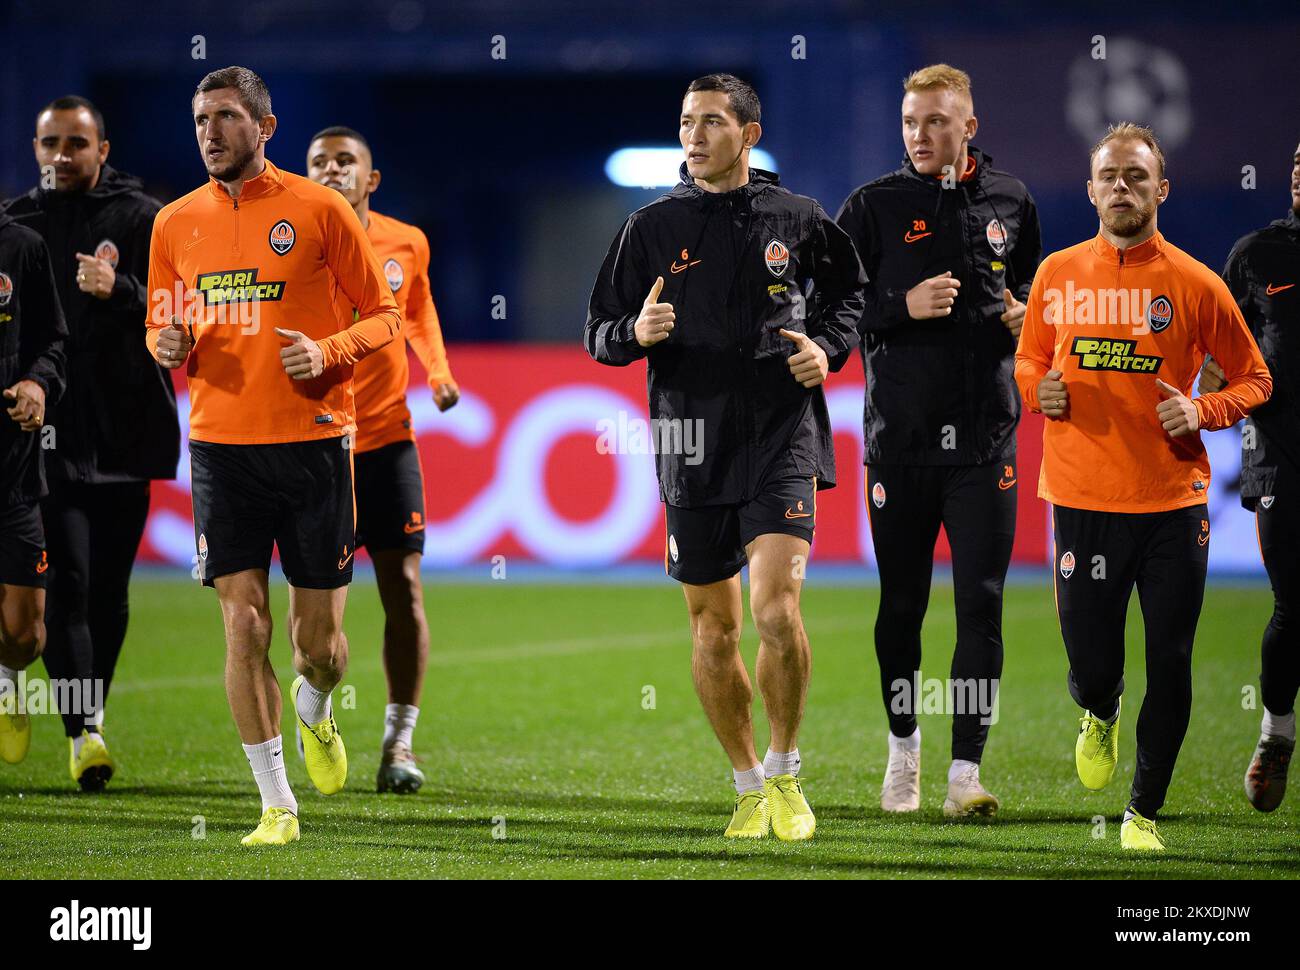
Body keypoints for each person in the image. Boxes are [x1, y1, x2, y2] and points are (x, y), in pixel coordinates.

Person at [585, 74, 864, 840]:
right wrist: (632, 337)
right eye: (685, 122)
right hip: (691, 443)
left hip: (782, 435)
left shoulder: (797, 216)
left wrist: (829, 349)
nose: (694, 136)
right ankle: (746, 784)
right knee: (714, 631)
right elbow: (598, 329)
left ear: (748, 132)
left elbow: (851, 296)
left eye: (712, 122)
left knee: (777, 608)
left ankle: (784, 770)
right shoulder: (649, 227)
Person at [145, 66, 399, 845]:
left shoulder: (319, 208)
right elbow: (162, 323)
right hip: (222, 450)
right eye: (199, 120)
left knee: (316, 648)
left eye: (224, 117)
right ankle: (276, 804)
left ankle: (316, 707)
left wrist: (327, 349)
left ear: (265, 126)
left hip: (316, 442)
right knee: (242, 625)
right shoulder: (172, 223)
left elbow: (384, 317)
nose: (209, 133)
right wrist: (163, 341)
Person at [1014, 122, 1272, 850]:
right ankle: (1100, 711)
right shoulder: (1057, 274)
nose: (1121, 188)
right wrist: (1040, 392)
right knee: (1093, 665)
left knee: (1173, 657)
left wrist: (1202, 408)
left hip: (1172, 501)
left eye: (1135, 176)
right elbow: (1030, 361)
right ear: (1092, 188)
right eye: (1109, 177)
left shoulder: (1197, 284)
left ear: (1162, 188)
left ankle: (1142, 813)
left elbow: (1256, 378)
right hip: (1081, 497)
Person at [836, 64, 1042, 817]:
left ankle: (964, 774)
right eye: (910, 123)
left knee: (981, 605)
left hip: (986, 440)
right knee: (902, 607)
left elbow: (1028, 297)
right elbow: (832, 311)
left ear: (969, 127)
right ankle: (902, 752)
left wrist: (1026, 318)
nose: (920, 135)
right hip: (901, 442)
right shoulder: (871, 207)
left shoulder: (1011, 200)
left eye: (935, 121)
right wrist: (900, 304)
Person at [1, 95, 178, 790]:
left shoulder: (143, 219)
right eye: (50, 144)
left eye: (77, 143)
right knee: (68, 583)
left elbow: (183, 313)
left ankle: (83, 709)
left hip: (126, 432)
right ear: (36, 148)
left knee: (109, 590)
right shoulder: (19, 226)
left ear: (103, 149)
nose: (62, 156)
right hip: (49, 437)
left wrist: (123, 289)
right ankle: (85, 733)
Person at [306, 125, 459, 793]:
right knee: (321, 626)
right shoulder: (290, 248)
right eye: (319, 163)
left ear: (371, 179)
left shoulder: (407, 241)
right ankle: (316, 706)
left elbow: (417, 307)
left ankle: (399, 740)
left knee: (405, 588)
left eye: (345, 161)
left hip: (387, 440)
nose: (332, 170)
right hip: (313, 447)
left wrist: (439, 371)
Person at [1198, 140, 1300, 811]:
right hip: (1280, 456)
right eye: (1297, 164)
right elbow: (1214, 351)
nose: (1299, 174)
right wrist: (1201, 396)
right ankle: (1277, 731)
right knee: (1293, 607)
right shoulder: (1257, 256)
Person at [0, 213, 67, 768]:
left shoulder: (22, 248)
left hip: (12, 471)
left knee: (25, 637)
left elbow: (53, 341)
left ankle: (7, 677)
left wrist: (37, 380)